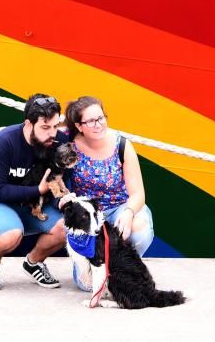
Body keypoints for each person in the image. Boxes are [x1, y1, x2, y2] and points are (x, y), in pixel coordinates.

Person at [0, 93, 69, 291]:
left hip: (32, 205)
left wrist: (63, 200)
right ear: (28, 124)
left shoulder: (57, 142)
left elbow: (63, 177)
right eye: (45, 127)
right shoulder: (5, 140)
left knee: (68, 227)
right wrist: (38, 190)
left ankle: (34, 263)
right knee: (11, 234)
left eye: (55, 126)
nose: (52, 133)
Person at [63, 95, 155, 291]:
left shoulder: (121, 145)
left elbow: (138, 193)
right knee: (86, 286)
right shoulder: (69, 146)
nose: (98, 124)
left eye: (101, 118)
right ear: (79, 126)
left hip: (120, 206)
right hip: (88, 214)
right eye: (90, 121)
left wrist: (129, 213)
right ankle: (95, 268)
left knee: (139, 230)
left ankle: (123, 273)